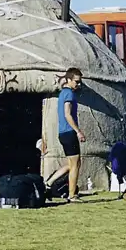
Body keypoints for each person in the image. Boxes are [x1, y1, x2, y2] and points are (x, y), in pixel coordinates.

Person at [45, 68, 85, 202]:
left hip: (63, 133)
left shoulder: (63, 93)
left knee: (71, 164)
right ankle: (72, 195)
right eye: (76, 82)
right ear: (68, 79)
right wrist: (78, 131)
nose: (78, 85)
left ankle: (49, 183)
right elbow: (67, 114)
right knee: (75, 164)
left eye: (80, 82)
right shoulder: (69, 94)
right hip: (69, 132)